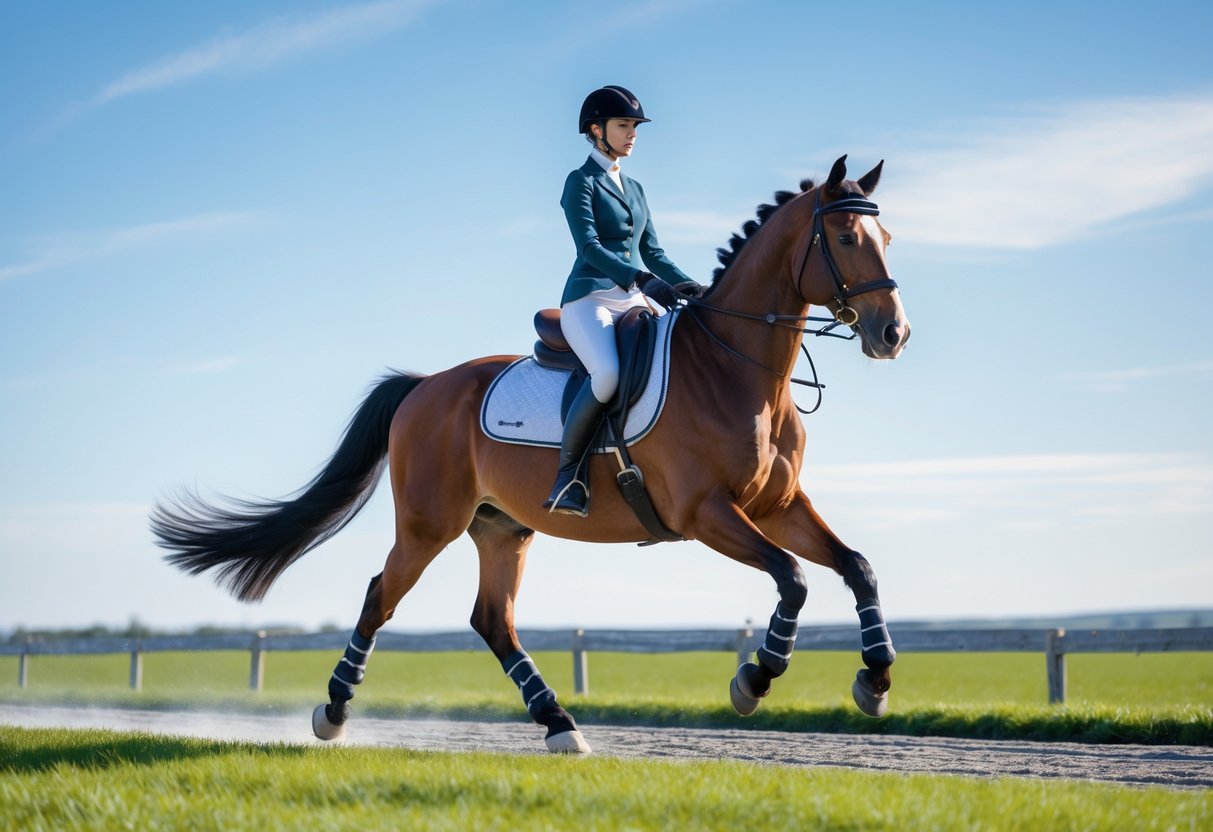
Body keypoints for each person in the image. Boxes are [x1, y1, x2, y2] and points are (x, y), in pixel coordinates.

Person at [544, 85, 705, 518]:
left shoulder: (634, 187)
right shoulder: (579, 182)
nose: (632, 134)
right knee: (608, 374)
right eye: (623, 126)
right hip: (591, 298)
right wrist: (638, 278)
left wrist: (693, 288)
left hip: (636, 298)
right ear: (596, 130)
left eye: (634, 127)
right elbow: (590, 247)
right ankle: (568, 476)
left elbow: (654, 253)